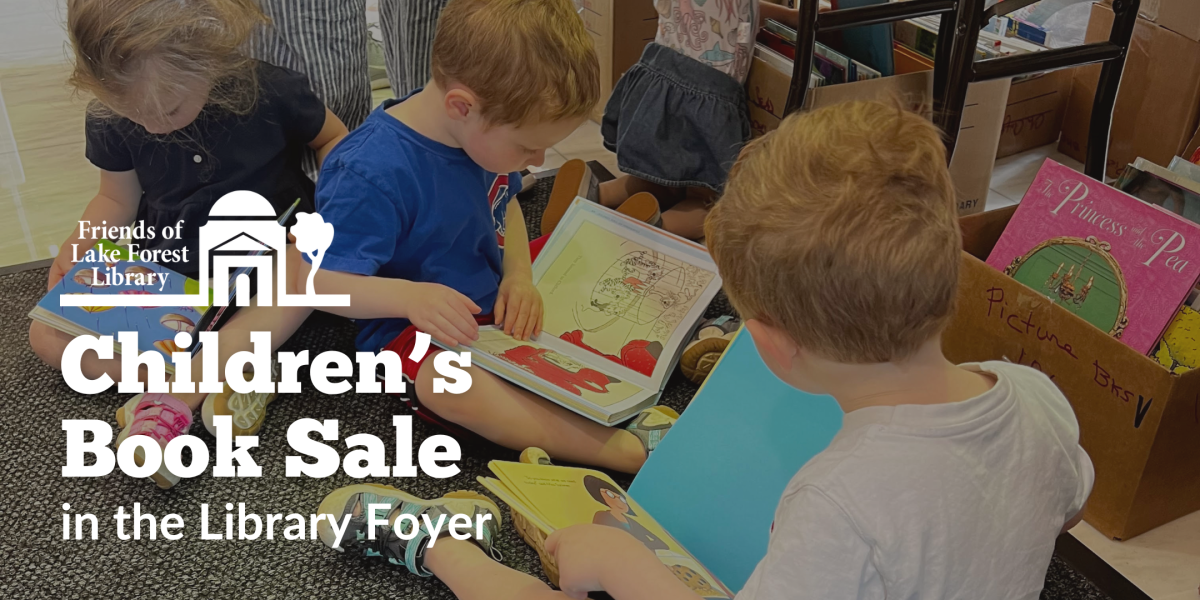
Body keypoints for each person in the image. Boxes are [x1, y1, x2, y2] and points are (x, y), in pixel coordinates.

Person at [312, 101, 1095, 600]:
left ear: (769, 344)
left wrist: (622, 567)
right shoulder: (1035, 396)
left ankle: (439, 547)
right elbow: (1065, 500)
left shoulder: (837, 500)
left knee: (590, 567)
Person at [291, 0, 670, 475]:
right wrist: (410, 298)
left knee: (609, 274)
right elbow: (318, 281)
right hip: (419, 331)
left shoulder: (473, 135)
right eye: (527, 145)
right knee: (448, 386)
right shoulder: (367, 172)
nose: (536, 161)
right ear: (462, 106)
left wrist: (519, 275)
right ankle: (619, 451)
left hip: (494, 298)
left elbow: (506, 204)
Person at [29, 0, 344, 487]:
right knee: (46, 335)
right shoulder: (109, 117)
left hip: (266, 271)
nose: (152, 124)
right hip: (175, 280)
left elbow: (333, 139)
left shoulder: (273, 89)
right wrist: (83, 242)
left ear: (208, 55)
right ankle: (240, 372)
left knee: (297, 285)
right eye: (131, 111)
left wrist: (335, 205)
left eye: (170, 107)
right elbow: (115, 197)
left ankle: (176, 399)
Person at [547, 0, 802, 240]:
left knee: (656, 178)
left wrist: (788, 16)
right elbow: (744, 11)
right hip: (707, 94)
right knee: (710, 201)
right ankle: (652, 227)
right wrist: (792, 15)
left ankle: (595, 192)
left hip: (657, 79)